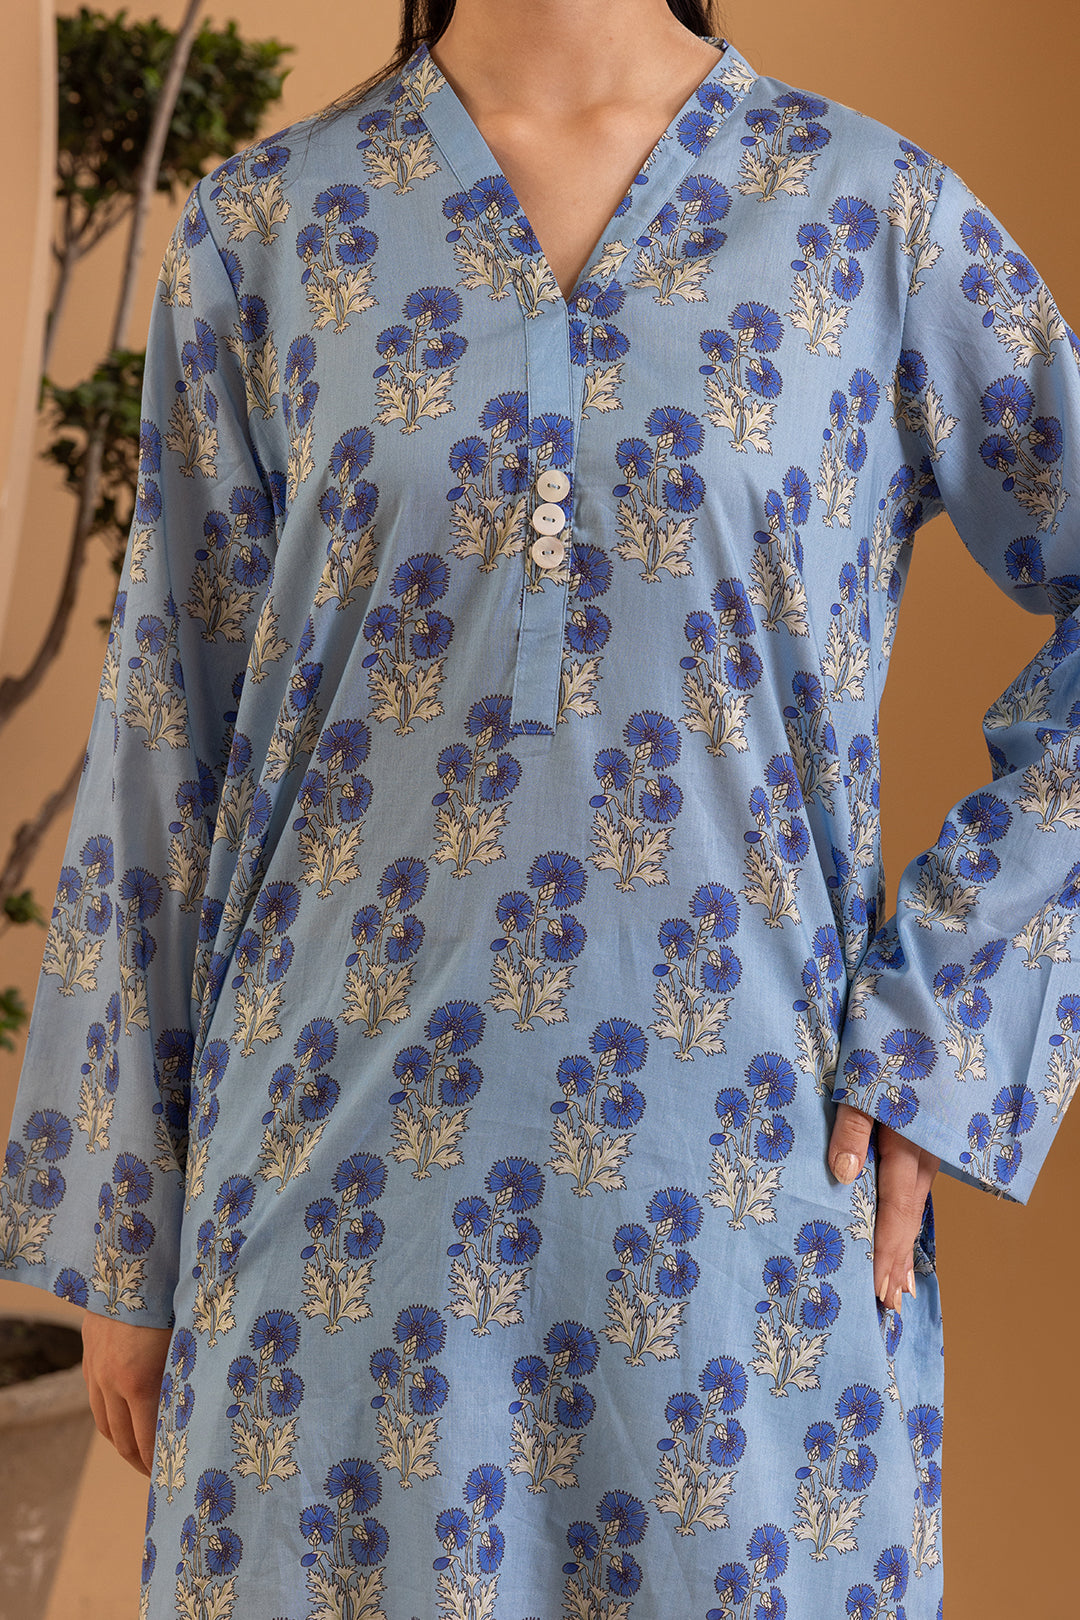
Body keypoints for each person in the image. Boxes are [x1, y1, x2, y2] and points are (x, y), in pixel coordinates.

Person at [3, 1, 1076, 1614]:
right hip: (328, 1241)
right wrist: (121, 1215)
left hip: (749, 1257)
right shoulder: (265, 232)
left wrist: (951, 1026)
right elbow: (169, 725)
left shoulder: (875, 222)